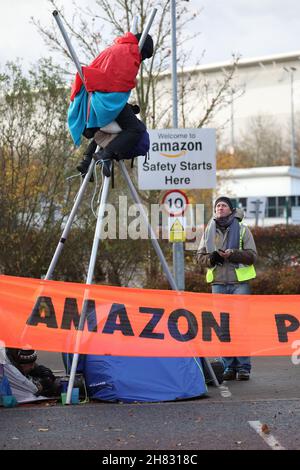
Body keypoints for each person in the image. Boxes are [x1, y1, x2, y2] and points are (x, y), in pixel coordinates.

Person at [69, 32, 154, 178]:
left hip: (90, 99)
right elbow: (119, 82)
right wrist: (132, 83)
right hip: (104, 98)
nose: (141, 60)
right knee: (136, 129)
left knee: (109, 132)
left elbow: (109, 74)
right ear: (142, 50)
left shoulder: (114, 48)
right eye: (144, 57)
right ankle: (105, 154)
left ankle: (87, 159)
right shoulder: (130, 52)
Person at [196, 196, 258, 381]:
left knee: (240, 326)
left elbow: (252, 256)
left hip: (239, 285)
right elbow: (200, 257)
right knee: (223, 329)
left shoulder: (243, 230)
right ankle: (228, 367)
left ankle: (244, 367)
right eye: (217, 206)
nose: (220, 208)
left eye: (223, 205)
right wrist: (213, 258)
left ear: (231, 210)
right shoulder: (208, 231)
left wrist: (233, 254)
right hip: (218, 284)